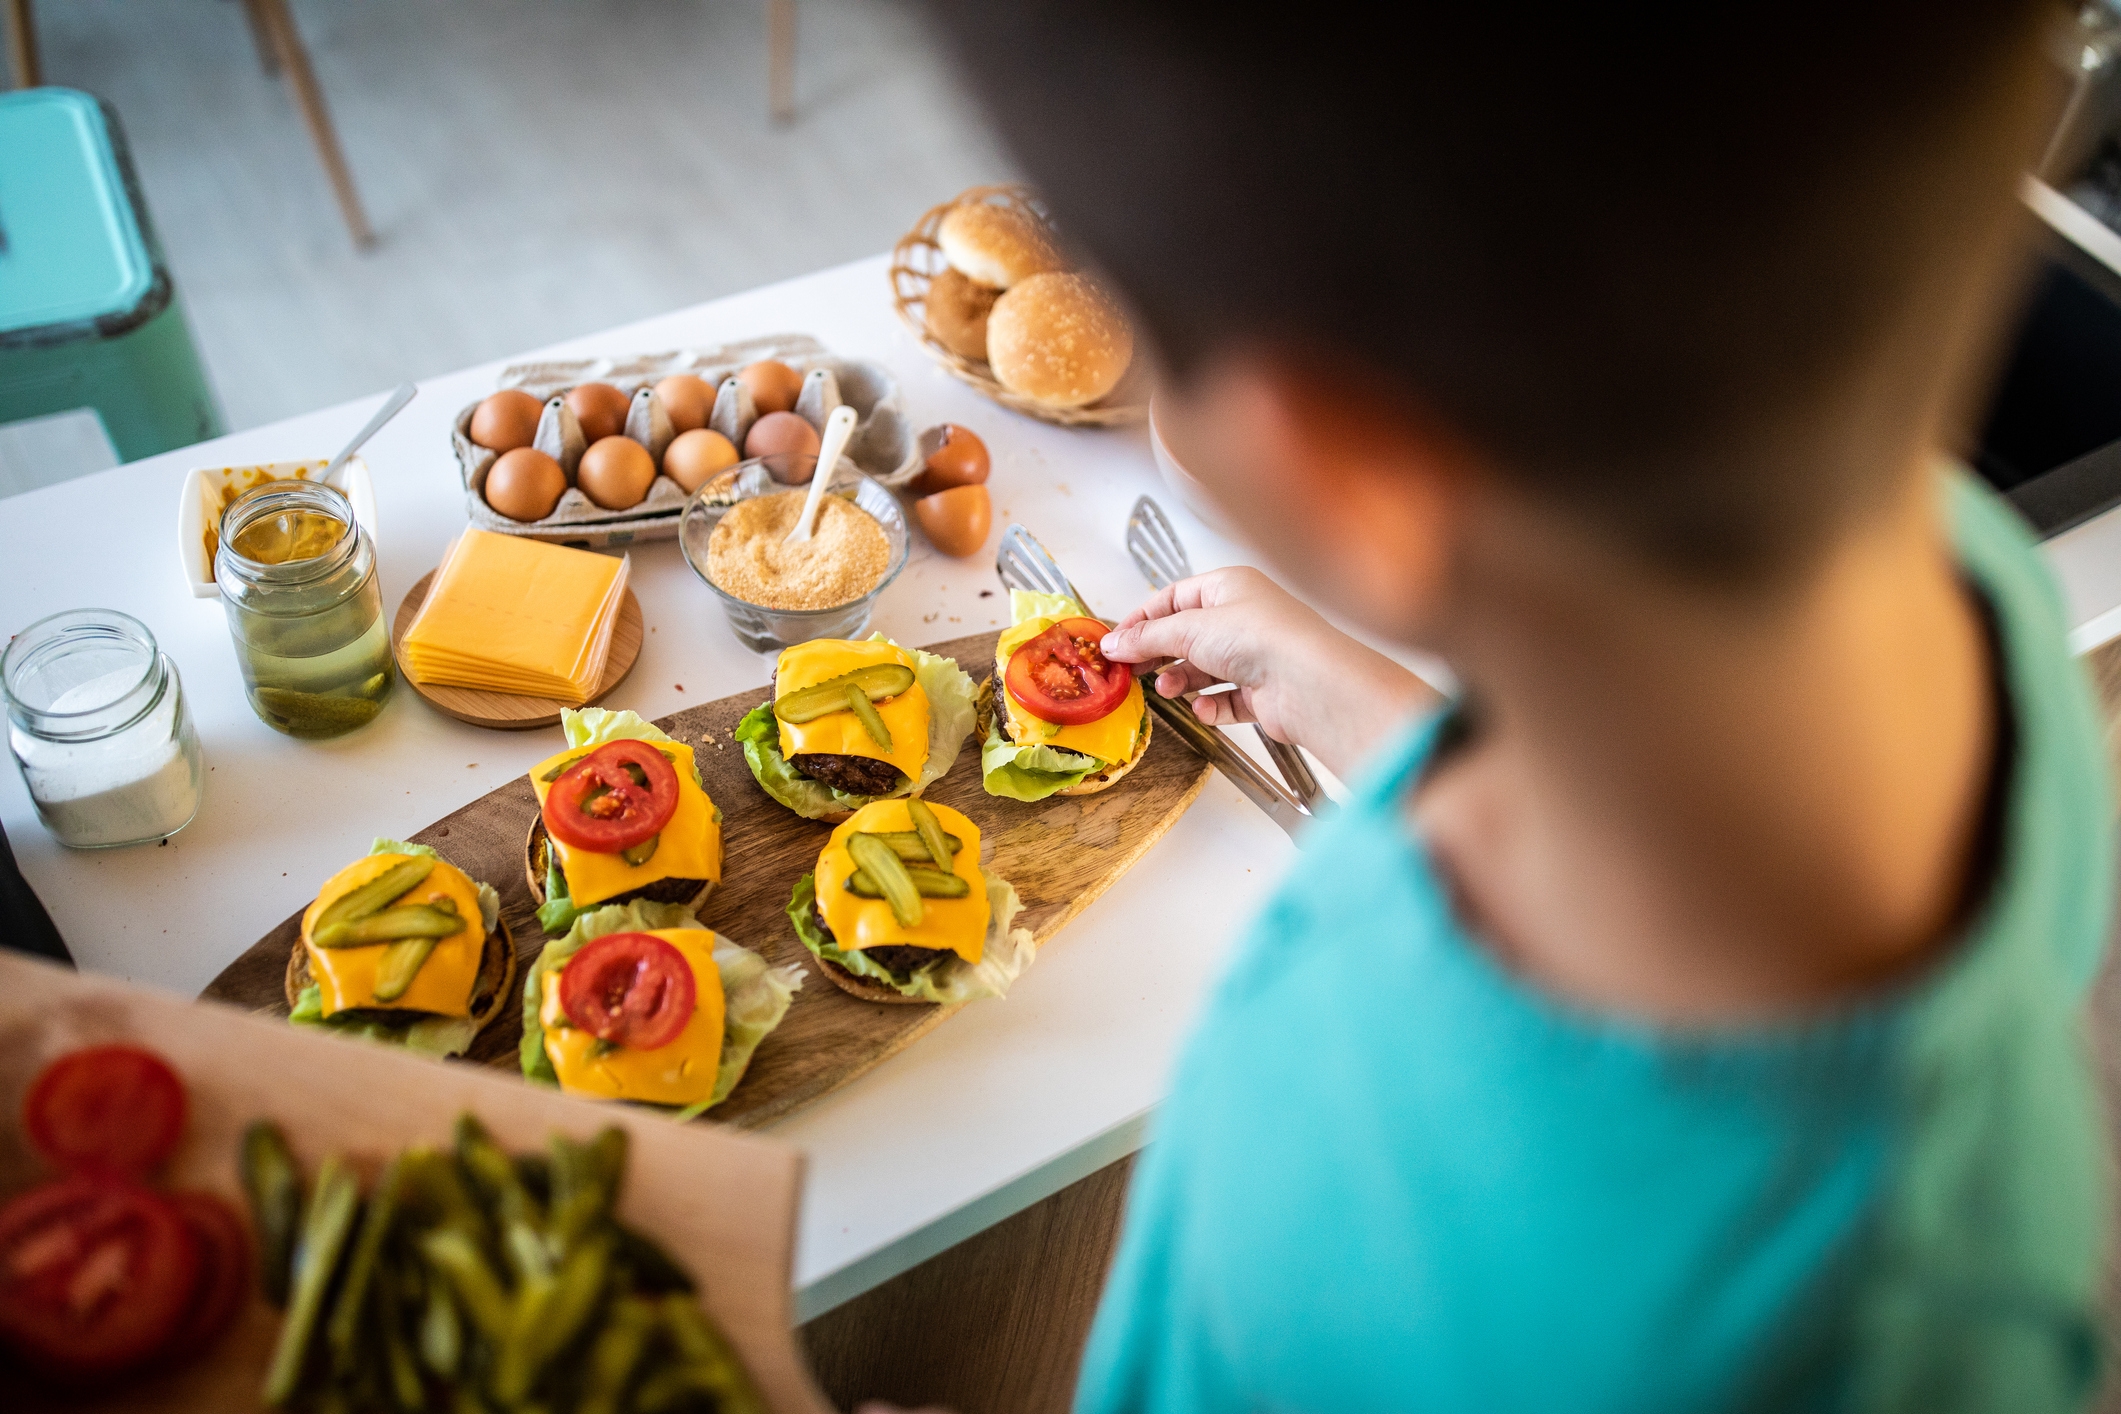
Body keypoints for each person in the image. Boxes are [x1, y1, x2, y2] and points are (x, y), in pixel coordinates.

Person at [919, 3, 2115, 1410]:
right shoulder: (1950, 565)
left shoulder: (1474, 1248)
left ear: (1342, 471)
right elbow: (1643, 819)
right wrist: (1351, 692)